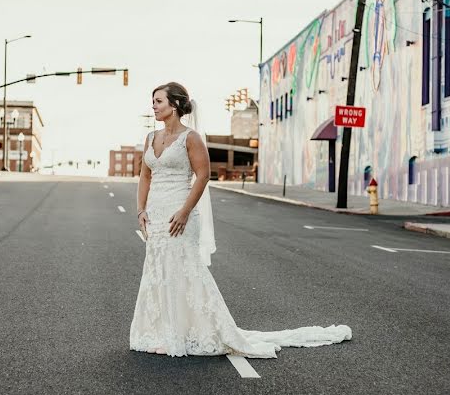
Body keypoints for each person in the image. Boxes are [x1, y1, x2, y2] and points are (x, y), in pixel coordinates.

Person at [129, 82, 352, 358]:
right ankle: (164, 330)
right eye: (153, 101)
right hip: (156, 214)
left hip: (180, 212)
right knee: (158, 270)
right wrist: (141, 210)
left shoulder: (191, 138)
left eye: (158, 101)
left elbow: (202, 176)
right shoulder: (150, 138)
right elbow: (145, 176)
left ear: (174, 106)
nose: (153, 105)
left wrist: (185, 211)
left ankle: (194, 331)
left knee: (184, 269)